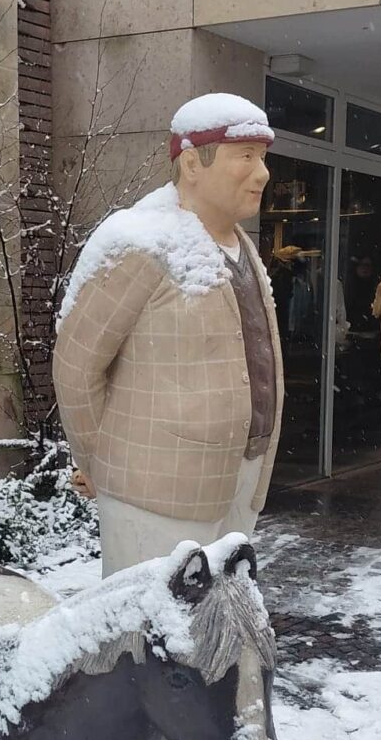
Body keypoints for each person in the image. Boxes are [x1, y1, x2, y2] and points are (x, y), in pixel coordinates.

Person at [53, 93, 283, 578]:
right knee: (152, 635)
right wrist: (102, 465)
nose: (261, 174)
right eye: (245, 157)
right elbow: (76, 364)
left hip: (240, 478)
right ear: (193, 164)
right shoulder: (138, 242)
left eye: (262, 158)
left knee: (217, 625)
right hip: (152, 494)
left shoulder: (243, 247)